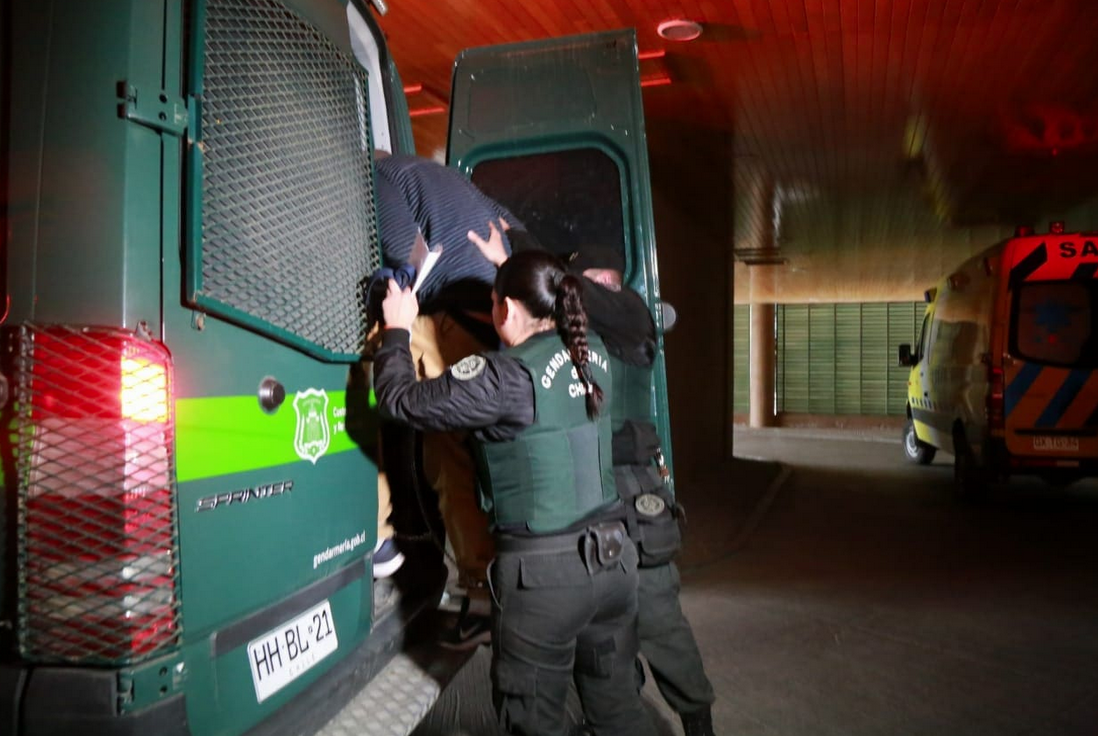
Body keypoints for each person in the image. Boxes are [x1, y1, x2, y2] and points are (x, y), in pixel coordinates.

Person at [373, 250, 656, 736]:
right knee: (619, 712)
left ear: (503, 309)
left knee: (533, 720)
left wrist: (397, 330)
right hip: (614, 564)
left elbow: (399, 401)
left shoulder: (504, 378)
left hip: (545, 581)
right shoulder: (592, 351)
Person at [470, 226, 716, 736]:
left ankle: (698, 721)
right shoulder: (563, 334)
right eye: (590, 279)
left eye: (606, 280)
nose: (599, 288)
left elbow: (580, 296)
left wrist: (518, 247)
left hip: (630, 493)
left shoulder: (630, 316)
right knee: (603, 645)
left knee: (658, 620)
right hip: (587, 505)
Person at [370, 150, 528, 631]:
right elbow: (512, 226)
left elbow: (401, 246)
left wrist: (391, 306)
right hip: (492, 314)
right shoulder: (443, 178)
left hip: (452, 317)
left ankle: (375, 534)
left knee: (372, 385)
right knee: (456, 453)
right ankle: (481, 588)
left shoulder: (376, 175)